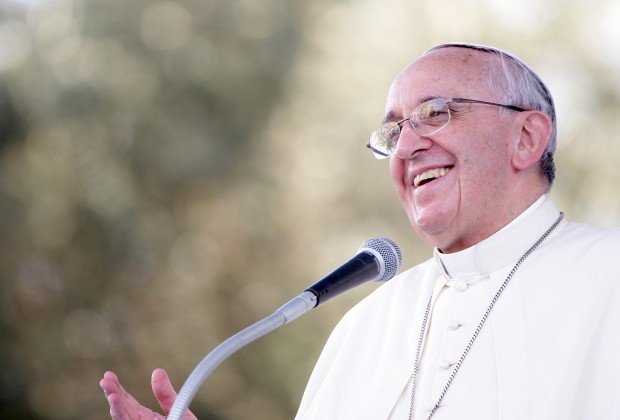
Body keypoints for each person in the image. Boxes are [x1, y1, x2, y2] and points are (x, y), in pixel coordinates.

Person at [101, 43, 620, 419]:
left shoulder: (609, 276)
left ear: (526, 137)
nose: (408, 146)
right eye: (393, 132)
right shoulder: (365, 325)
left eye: (435, 113)